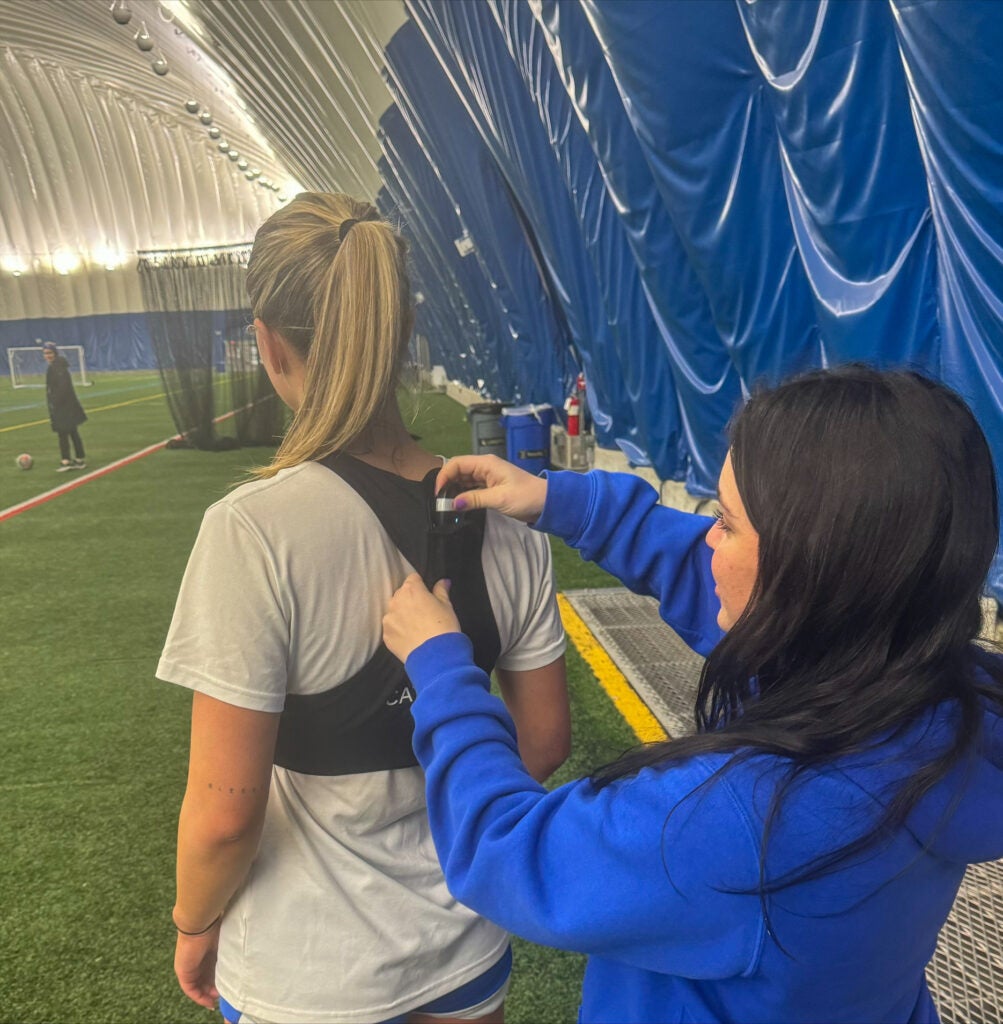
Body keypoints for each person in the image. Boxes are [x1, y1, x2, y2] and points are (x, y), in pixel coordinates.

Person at [383, 365, 1003, 1024]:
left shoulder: (748, 824)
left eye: (726, 523)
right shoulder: (935, 699)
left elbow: (506, 851)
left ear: (811, 573)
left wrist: (442, 670)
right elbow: (728, 582)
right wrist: (560, 502)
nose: (706, 538)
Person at [157, 192, 570, 1024]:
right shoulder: (505, 513)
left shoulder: (253, 530)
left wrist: (192, 925)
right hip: (462, 944)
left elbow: (224, 818)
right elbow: (543, 739)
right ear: (402, 325)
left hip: (306, 971)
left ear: (269, 344)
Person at [42, 342, 86, 471]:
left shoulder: (58, 367)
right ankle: (79, 459)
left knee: (64, 433)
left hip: (65, 406)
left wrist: (55, 402)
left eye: (49, 353)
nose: (47, 356)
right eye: (45, 353)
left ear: (55, 353)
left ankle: (66, 461)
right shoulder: (56, 366)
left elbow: (63, 388)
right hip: (65, 405)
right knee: (72, 432)